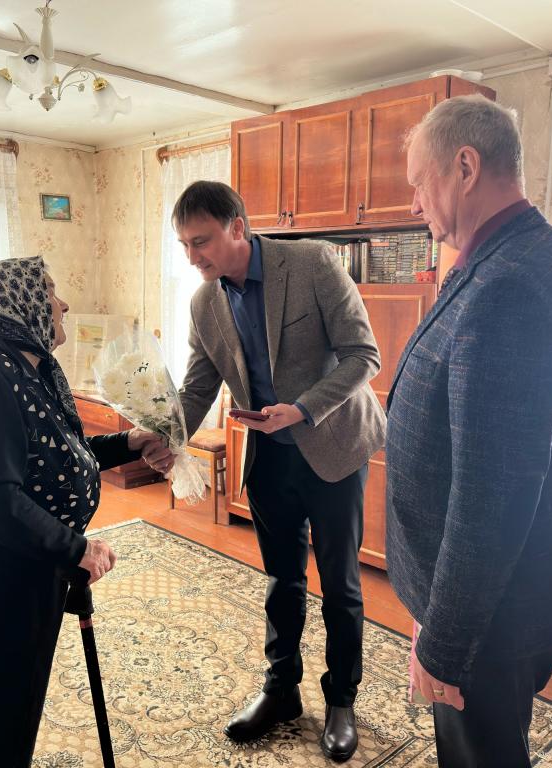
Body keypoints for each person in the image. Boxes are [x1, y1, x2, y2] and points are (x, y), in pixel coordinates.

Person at [385, 94, 552, 767]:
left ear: (465, 166)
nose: (414, 205)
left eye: (419, 183)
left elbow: (494, 494)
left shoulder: (509, 287)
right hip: (494, 592)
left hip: (491, 608)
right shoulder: (516, 255)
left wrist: (445, 644)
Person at [0, 255, 170, 767]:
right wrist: (77, 548)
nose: (63, 304)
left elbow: (56, 455)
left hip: (1, 563)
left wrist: (129, 442)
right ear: (19, 304)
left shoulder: (22, 368)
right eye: (51, 291)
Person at [173, 180, 386, 762]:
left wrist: (304, 408)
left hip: (334, 446)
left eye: (201, 241)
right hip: (269, 457)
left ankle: (341, 701)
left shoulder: (313, 263)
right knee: (282, 581)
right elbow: (198, 386)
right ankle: (281, 690)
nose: (192, 257)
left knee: (340, 584)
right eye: (185, 245)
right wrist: (165, 437)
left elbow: (364, 356)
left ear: (237, 227)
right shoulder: (204, 303)